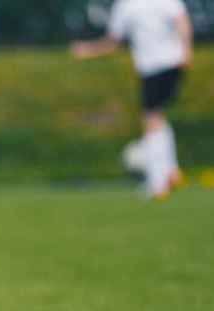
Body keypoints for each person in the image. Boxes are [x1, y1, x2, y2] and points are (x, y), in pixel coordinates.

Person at [72, 0, 192, 200]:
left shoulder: (126, 5)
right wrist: (187, 51)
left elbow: (112, 42)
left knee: (151, 119)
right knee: (156, 116)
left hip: (155, 67)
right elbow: (182, 22)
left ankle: (158, 183)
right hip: (173, 62)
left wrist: (87, 50)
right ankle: (171, 172)